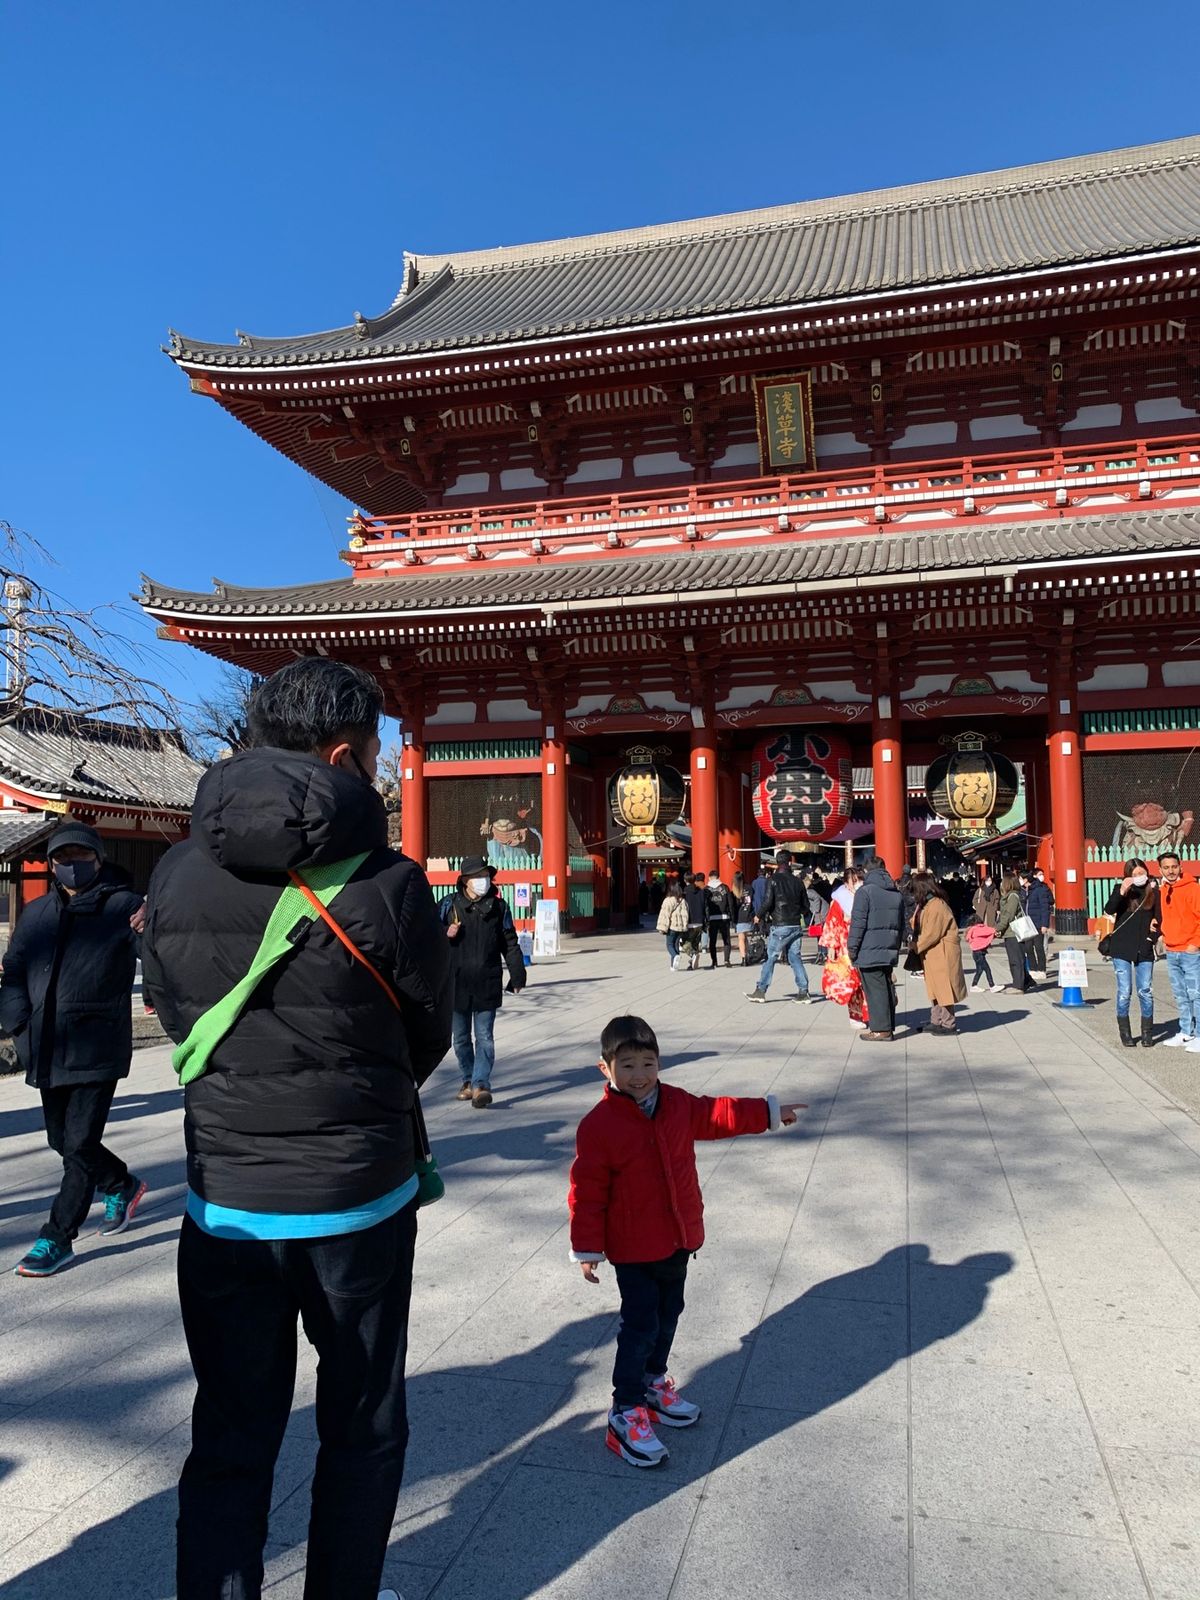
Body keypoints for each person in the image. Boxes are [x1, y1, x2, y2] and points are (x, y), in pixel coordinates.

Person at [141, 658, 452, 1600]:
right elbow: (427, 1033)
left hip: (227, 1198)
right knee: (362, 1424)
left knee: (231, 1432)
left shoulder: (178, 869)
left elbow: (175, 1012)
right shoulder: (390, 881)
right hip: (357, 1199)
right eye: (377, 755)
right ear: (346, 756)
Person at [567, 1014, 803, 1468]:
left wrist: (769, 1113)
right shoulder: (598, 1125)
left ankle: (653, 1383)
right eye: (627, 1066)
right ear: (605, 1068)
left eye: (648, 1064)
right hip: (632, 1247)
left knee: (669, 1313)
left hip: (677, 1237)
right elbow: (586, 1191)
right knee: (640, 1325)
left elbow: (717, 1114)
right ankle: (625, 1409)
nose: (639, 1075)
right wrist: (587, 1247)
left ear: (660, 1064)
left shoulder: (675, 1103)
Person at [1, 823, 147, 1278]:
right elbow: (14, 969)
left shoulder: (124, 907)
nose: (72, 865)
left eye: (81, 856)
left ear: (98, 860)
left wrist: (158, 919)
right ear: (51, 864)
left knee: (79, 1145)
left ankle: (57, 1236)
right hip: (46, 1042)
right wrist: (18, 1022)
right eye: (63, 857)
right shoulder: (37, 913)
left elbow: (160, 952)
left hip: (97, 1044)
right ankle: (120, 1183)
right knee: (61, 1140)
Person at [439, 855, 527, 1106]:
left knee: (485, 1036)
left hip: (487, 980)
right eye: (478, 876)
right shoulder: (448, 905)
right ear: (465, 880)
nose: (483, 881)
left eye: (486, 876)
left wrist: (517, 974)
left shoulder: (499, 907)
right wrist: (445, 932)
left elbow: (510, 942)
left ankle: (480, 1084)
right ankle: (468, 1079)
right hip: (456, 982)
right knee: (460, 1039)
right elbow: (426, 934)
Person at [848, 856, 906, 1041]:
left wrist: (852, 948)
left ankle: (882, 1029)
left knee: (875, 991)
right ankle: (887, 1025)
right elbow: (901, 923)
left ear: (866, 871)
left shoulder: (865, 892)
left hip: (869, 947)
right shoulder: (895, 892)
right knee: (886, 986)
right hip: (889, 947)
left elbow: (858, 923)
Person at [746, 849, 815, 1004]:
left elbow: (767, 901)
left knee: (771, 957)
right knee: (795, 957)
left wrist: (758, 915)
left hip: (780, 924)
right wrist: (799, 912)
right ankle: (803, 991)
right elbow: (806, 906)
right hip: (795, 924)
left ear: (777, 863)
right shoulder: (798, 881)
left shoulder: (773, 880)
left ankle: (761, 990)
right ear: (789, 862)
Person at [1103, 859, 1159, 1049]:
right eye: (1134, 874)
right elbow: (1109, 909)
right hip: (1121, 947)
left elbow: (1160, 918)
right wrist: (1122, 891)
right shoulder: (1121, 889)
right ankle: (1125, 1033)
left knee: (1145, 991)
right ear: (1127, 876)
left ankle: (1147, 1032)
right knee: (1124, 992)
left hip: (1144, 946)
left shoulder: (1153, 890)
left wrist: (1152, 936)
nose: (1138, 877)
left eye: (1141, 873)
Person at [909, 878, 968, 1035]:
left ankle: (948, 1024)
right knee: (934, 988)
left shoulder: (937, 905)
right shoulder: (926, 904)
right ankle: (936, 1020)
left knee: (944, 988)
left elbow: (932, 933)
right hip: (932, 953)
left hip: (942, 951)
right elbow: (916, 924)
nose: (913, 896)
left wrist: (916, 946)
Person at [1156, 850, 1200, 1050]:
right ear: (1160, 870)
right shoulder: (1163, 890)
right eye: (1166, 867)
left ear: (1181, 867)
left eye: (1174, 866)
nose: (1171, 871)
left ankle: (1199, 1034)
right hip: (1172, 950)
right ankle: (1185, 1031)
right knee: (1180, 995)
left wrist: (1195, 943)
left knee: (1196, 994)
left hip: (1190, 951)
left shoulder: (1193, 888)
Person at [821, 868, 867, 1028]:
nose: (857, 884)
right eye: (853, 881)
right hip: (846, 945)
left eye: (859, 880)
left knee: (867, 980)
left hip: (866, 943)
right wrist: (831, 946)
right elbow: (832, 923)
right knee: (852, 981)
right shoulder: (839, 900)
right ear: (846, 883)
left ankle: (871, 1014)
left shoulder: (866, 895)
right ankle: (856, 1015)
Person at [994, 873, 1035, 993]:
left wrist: (998, 928)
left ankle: (1018, 986)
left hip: (1014, 932)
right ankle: (1027, 981)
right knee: (1017, 958)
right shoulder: (1010, 896)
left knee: (1015, 960)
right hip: (1010, 932)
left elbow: (1008, 915)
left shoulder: (1012, 896)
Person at [1025, 869, 1054, 979]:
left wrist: (1044, 924)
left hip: (1038, 922)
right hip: (1027, 923)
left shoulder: (1040, 889)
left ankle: (1042, 969)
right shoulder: (1025, 891)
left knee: (1038, 947)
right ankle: (1033, 968)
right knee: (1028, 947)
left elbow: (1045, 907)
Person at [655, 880, 689, 969]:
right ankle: (673, 966)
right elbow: (686, 914)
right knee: (676, 945)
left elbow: (665, 915)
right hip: (680, 927)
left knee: (669, 944)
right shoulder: (683, 900)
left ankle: (675, 956)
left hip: (672, 926)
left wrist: (663, 927)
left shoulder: (668, 900)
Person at [704, 871, 735, 968]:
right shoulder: (725, 888)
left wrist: (705, 917)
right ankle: (727, 960)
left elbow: (704, 905)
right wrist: (732, 916)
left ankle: (714, 962)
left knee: (712, 941)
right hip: (724, 917)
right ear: (718, 877)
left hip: (712, 918)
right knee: (726, 940)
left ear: (709, 877)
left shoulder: (706, 889)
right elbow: (730, 903)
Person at [964, 916, 1002, 993]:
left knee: (980, 970)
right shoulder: (978, 928)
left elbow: (983, 936)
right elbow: (988, 931)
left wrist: (994, 935)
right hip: (979, 953)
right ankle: (992, 986)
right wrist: (995, 931)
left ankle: (974, 986)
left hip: (976, 953)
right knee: (987, 969)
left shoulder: (972, 929)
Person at [682, 871, 708, 971]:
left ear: (685, 880)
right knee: (695, 943)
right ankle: (693, 963)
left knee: (685, 944)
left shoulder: (684, 892)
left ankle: (693, 955)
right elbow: (705, 906)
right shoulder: (701, 892)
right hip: (700, 921)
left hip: (689, 921)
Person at [732, 871, 755, 965]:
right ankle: (747, 955)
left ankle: (743, 958)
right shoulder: (749, 888)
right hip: (748, 915)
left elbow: (733, 906)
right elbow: (753, 901)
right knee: (745, 937)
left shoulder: (734, 890)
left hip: (739, 916)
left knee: (741, 938)